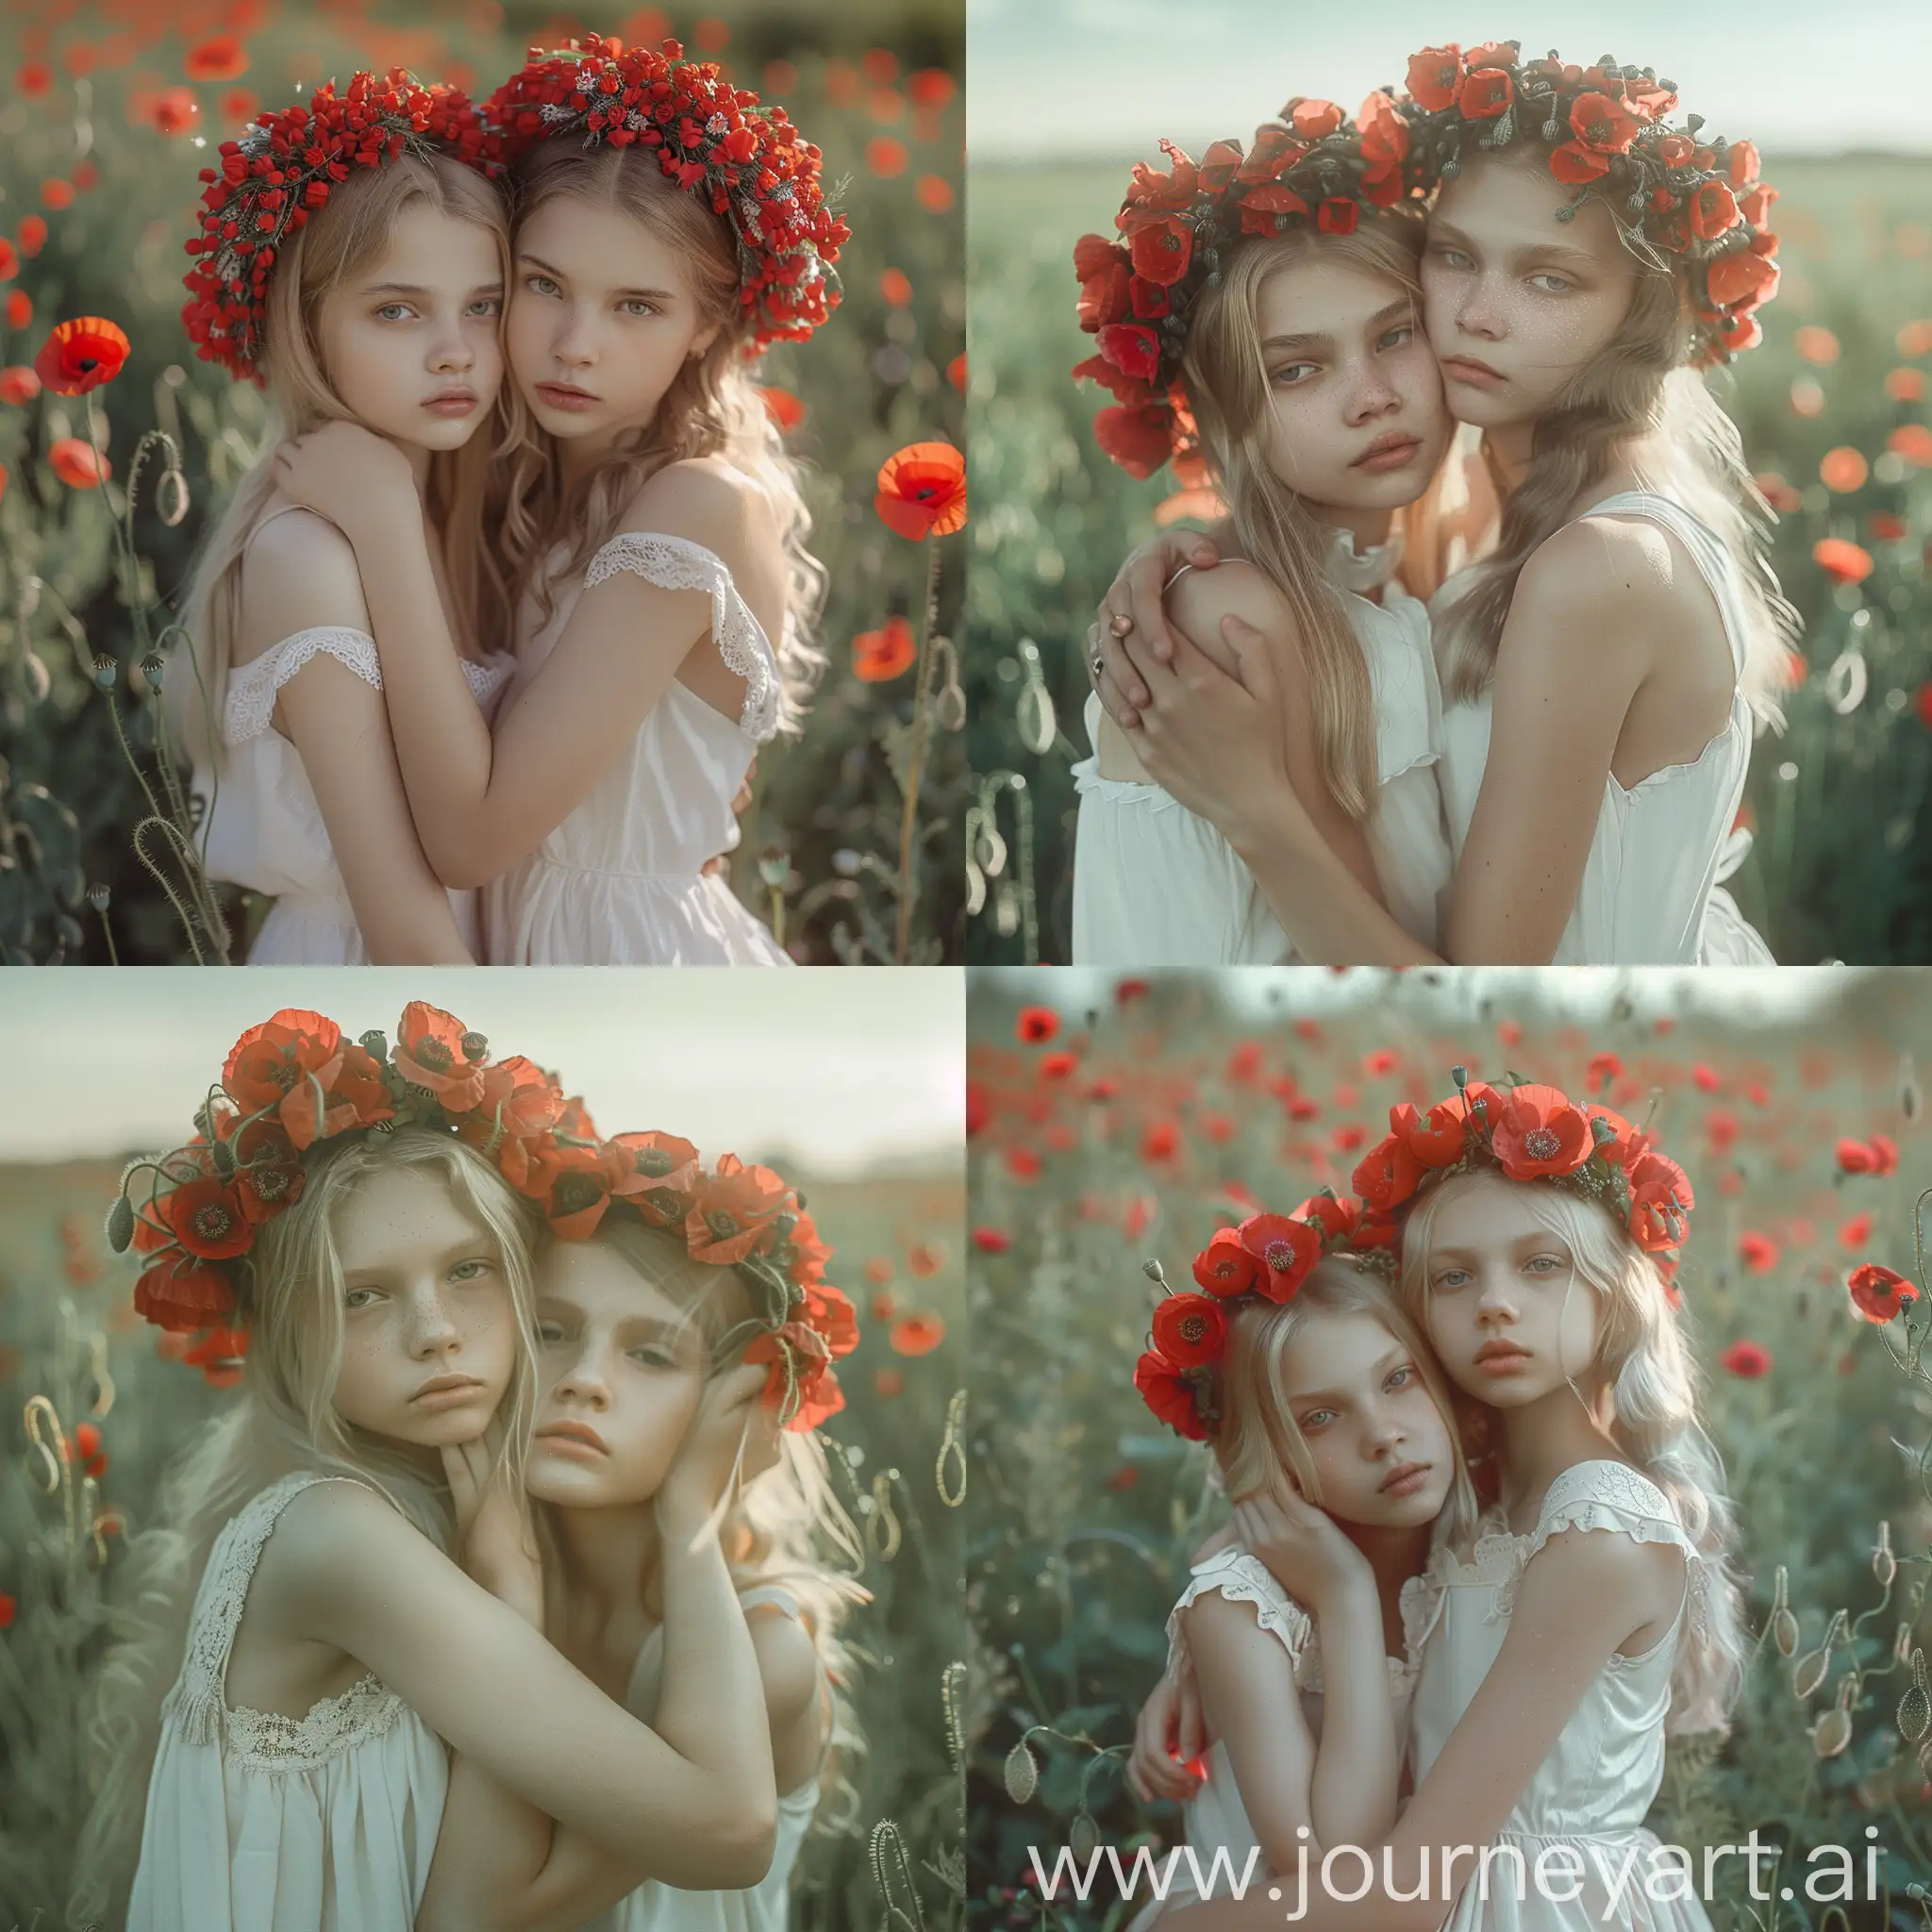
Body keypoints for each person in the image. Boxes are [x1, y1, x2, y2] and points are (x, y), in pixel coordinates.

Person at [1091, 45, 1794, 965]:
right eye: (1454, 257)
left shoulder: (1596, 565)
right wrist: (1205, 547)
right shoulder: (1490, 514)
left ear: (1639, 311)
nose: (1476, 314)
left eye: (1547, 279)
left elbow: (1479, 1003)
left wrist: (1250, 802)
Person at [272, 37, 846, 964]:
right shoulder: (518, 499)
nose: (576, 344)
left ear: (709, 323)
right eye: (543, 286)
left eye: (636, 306)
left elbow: (469, 840)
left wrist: (382, 522)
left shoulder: (693, 507)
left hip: (635, 965)